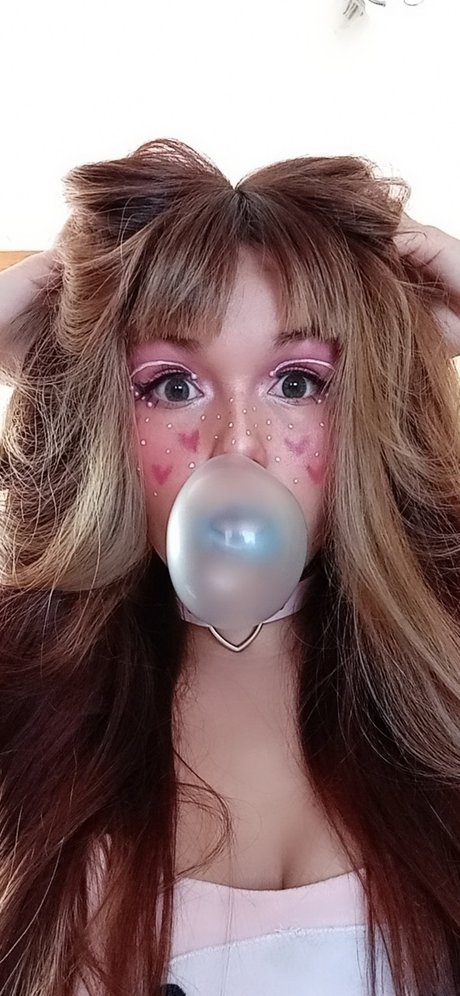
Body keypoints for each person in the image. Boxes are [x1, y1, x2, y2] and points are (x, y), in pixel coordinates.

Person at [0, 139, 460, 996]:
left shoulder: (445, 676)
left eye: (298, 382)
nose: (239, 445)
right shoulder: (23, 700)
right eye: (173, 386)